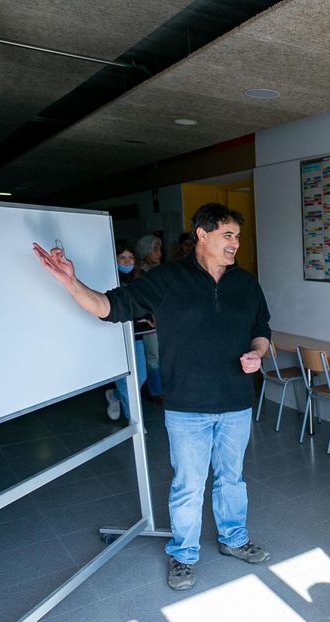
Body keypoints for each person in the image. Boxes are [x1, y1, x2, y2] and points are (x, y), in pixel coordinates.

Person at [33, 203, 272, 590]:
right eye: (228, 235)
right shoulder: (167, 280)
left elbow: (262, 328)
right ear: (202, 234)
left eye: (237, 237)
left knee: (232, 478)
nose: (235, 244)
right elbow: (109, 307)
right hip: (187, 406)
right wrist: (70, 282)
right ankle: (183, 555)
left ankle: (234, 540)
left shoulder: (245, 283)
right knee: (189, 484)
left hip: (236, 401)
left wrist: (258, 353)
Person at [103, 240, 156, 424]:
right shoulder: (107, 278)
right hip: (115, 338)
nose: (127, 262)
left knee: (140, 376)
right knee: (126, 378)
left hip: (136, 335)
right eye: (122, 258)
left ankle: (114, 395)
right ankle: (134, 421)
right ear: (114, 259)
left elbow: (145, 303)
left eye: (130, 257)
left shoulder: (139, 278)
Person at [135, 234, 165, 403]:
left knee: (160, 356)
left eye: (159, 249)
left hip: (161, 319)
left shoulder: (160, 269)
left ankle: (159, 388)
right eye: (155, 249)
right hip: (148, 322)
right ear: (145, 251)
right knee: (153, 358)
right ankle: (156, 391)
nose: (159, 253)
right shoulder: (140, 272)